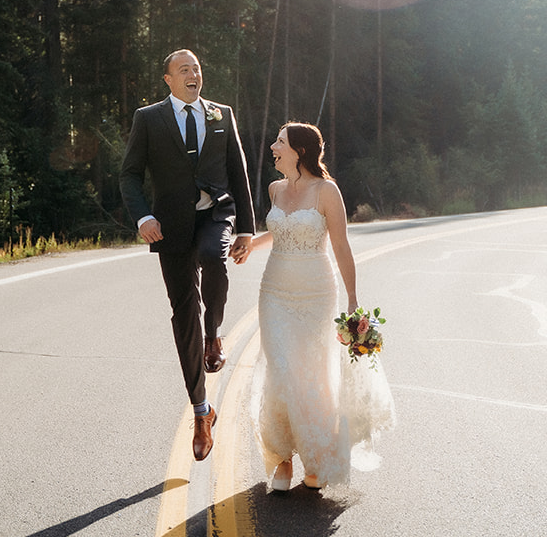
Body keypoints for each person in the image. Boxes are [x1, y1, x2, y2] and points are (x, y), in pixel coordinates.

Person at [230, 122, 395, 491]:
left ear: (299, 151)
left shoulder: (327, 191)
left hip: (316, 294)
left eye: (280, 142)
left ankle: (317, 457)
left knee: (312, 377)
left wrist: (353, 300)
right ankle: (283, 458)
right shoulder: (275, 189)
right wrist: (250, 245)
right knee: (281, 372)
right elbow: (280, 229)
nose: (273, 146)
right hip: (273, 291)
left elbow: (340, 246)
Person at [120, 49, 256, 461]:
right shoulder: (149, 118)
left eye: (197, 67)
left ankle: (214, 333)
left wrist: (248, 227)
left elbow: (238, 169)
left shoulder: (221, 114)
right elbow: (129, 173)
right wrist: (143, 216)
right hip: (170, 226)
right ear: (168, 80)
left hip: (216, 213)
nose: (194, 74)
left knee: (216, 258)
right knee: (183, 314)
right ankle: (202, 410)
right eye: (185, 70)